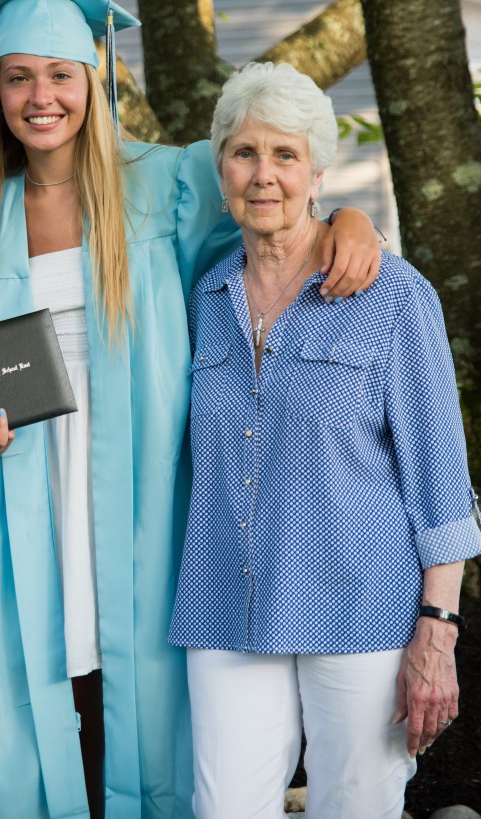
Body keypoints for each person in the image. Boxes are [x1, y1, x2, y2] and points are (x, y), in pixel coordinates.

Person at [0, 0, 380, 818]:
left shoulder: (168, 183)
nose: (40, 97)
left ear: (92, 81)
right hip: (27, 486)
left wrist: (352, 219)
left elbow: (276, 204)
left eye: (60, 75)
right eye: (17, 77)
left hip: (145, 491)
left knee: (145, 699)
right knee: (38, 691)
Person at [169, 60, 481, 819]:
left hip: (360, 607)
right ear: (220, 169)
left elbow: (439, 477)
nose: (263, 174)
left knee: (356, 806)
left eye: (285, 154)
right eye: (244, 153)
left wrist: (437, 631)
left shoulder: (393, 294)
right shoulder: (202, 296)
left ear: (316, 174)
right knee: (223, 808)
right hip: (225, 603)